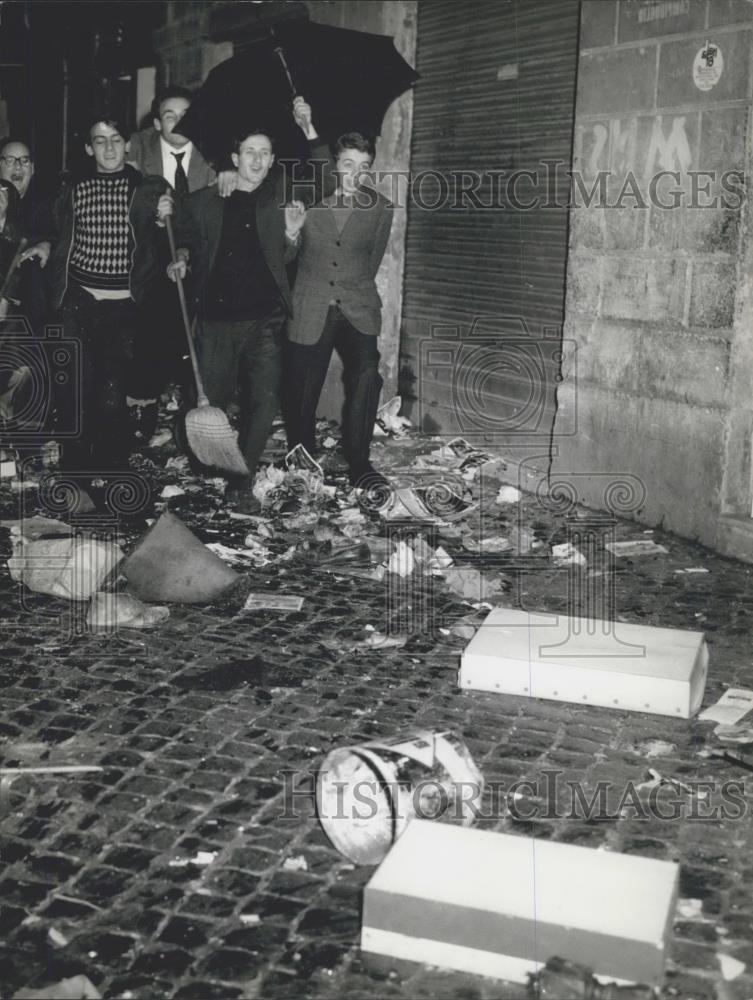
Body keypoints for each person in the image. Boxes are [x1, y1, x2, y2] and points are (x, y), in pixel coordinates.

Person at [167, 99, 332, 512]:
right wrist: (182, 256)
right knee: (213, 403)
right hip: (216, 321)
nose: (257, 160)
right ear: (235, 158)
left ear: (273, 159)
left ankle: (242, 476)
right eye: (249, 153)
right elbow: (179, 233)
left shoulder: (280, 195)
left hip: (264, 319)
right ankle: (215, 464)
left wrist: (308, 126)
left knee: (264, 398)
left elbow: (326, 180)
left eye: (264, 153)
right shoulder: (206, 200)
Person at [47, 112, 172, 508]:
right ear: (88, 148)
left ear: (127, 144)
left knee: (111, 394)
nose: (109, 147)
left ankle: (109, 466)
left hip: (123, 305)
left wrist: (165, 213)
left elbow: (168, 232)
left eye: (115, 139)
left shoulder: (147, 187)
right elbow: (57, 232)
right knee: (75, 387)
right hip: (80, 300)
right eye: (100, 141)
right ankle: (74, 474)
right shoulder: (73, 188)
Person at [283, 130, 393, 489]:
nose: (356, 173)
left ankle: (360, 462)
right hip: (311, 304)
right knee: (302, 386)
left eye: (364, 166)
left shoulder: (379, 207)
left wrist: (351, 287)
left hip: (357, 306)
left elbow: (371, 259)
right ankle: (302, 457)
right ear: (333, 166)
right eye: (348, 164)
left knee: (366, 375)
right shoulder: (305, 202)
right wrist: (290, 233)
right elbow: (284, 261)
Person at [125, 86, 216, 443]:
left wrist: (186, 254)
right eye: (169, 115)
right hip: (150, 254)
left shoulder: (213, 156)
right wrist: (153, 213)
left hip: (197, 252)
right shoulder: (136, 148)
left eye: (184, 114)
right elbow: (126, 202)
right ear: (156, 121)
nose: (177, 122)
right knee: (151, 333)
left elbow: (211, 217)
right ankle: (141, 411)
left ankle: (193, 421)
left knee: (195, 336)